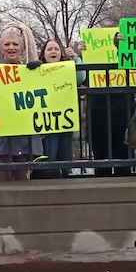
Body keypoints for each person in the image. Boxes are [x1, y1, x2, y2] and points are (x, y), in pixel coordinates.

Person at [0, 20, 43, 181]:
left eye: (15, 44)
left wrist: (40, 72)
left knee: (23, 185)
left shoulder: (29, 70)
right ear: (1, 49)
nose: (11, 48)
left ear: (22, 49)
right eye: (7, 44)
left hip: (23, 139)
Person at [86, 32, 134, 177]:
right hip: (98, 110)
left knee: (123, 157)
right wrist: (79, 56)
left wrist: (122, 44)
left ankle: (124, 187)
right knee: (101, 158)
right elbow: (82, 78)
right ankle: (102, 187)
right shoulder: (89, 56)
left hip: (123, 108)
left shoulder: (130, 55)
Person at [38, 37, 86, 177]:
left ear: (61, 52)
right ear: (44, 53)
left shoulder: (67, 67)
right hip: (47, 122)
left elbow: (81, 78)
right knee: (50, 155)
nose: (53, 51)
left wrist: (75, 58)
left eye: (56, 49)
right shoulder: (38, 69)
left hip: (65, 120)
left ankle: (65, 181)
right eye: (49, 49)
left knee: (65, 155)